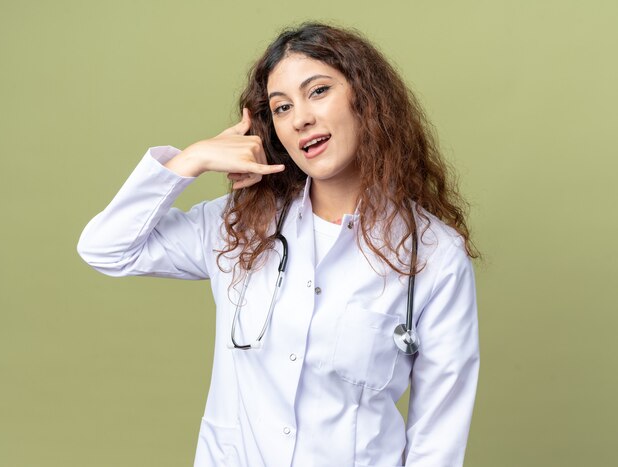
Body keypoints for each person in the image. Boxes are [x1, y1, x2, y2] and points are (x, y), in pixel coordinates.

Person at [77, 22, 480, 467]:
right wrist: (189, 160)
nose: (301, 118)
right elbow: (106, 248)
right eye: (282, 107)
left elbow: (438, 435)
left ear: (367, 99)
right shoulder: (239, 225)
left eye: (319, 91)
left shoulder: (433, 254)